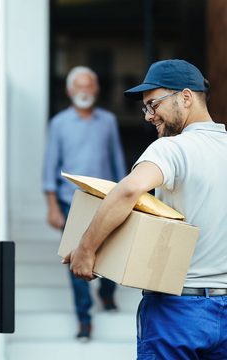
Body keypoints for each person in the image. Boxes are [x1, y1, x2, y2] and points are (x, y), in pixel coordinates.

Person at [64, 59, 227, 358]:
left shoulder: (173, 148)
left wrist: (86, 249)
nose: (149, 116)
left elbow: (128, 190)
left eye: (154, 104)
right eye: (146, 108)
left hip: (178, 313)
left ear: (186, 97)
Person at [43, 66, 126, 342]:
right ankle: (84, 319)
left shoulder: (109, 121)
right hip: (71, 202)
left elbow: (117, 161)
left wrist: (128, 195)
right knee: (74, 258)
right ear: (69, 91)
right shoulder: (59, 123)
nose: (84, 91)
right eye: (78, 86)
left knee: (113, 249)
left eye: (88, 85)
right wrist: (52, 206)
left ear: (96, 90)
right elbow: (49, 167)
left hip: (106, 200)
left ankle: (107, 294)